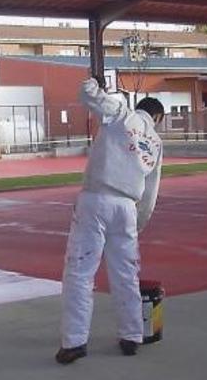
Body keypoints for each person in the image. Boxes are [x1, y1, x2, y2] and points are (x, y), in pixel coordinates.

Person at [56, 76, 164, 365]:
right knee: (126, 274)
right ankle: (131, 335)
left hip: (96, 199)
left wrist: (95, 81)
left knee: (80, 273)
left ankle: (74, 342)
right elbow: (151, 190)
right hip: (127, 209)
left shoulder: (120, 114)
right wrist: (137, 224)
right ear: (157, 117)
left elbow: (87, 94)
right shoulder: (155, 142)